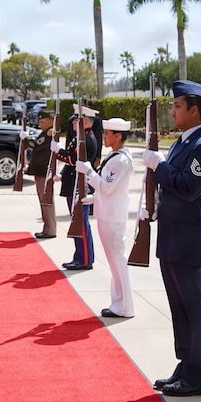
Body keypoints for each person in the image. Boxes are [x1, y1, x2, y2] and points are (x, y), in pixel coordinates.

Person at [143, 80, 201, 397]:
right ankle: (186, 367)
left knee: (195, 310)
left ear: (194, 110)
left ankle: (200, 377)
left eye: (177, 106)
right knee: (180, 309)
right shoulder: (181, 143)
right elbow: (172, 191)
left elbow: (188, 187)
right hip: (173, 237)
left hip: (189, 241)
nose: (172, 110)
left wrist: (159, 167)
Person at [79, 117, 135, 318]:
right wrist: (94, 199)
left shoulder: (120, 160)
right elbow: (108, 189)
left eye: (108, 134)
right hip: (108, 213)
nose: (104, 137)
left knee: (118, 261)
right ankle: (119, 303)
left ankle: (124, 307)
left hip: (112, 217)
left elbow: (106, 186)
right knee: (115, 262)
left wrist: (88, 171)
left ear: (118, 136)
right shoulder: (115, 156)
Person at [53, 105, 98, 270]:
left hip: (79, 187)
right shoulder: (80, 137)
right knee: (78, 223)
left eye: (76, 120)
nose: (72, 122)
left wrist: (59, 151)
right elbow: (73, 164)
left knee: (81, 224)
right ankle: (79, 257)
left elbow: (73, 159)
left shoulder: (86, 139)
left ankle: (85, 259)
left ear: (84, 121)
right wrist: (62, 174)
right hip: (73, 184)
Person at [28, 109, 58, 240]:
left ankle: (50, 229)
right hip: (41, 170)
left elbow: (35, 145)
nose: (40, 124)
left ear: (50, 122)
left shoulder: (49, 134)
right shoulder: (45, 132)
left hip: (44, 171)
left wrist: (25, 139)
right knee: (44, 201)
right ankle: (47, 228)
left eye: (42, 121)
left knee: (46, 201)